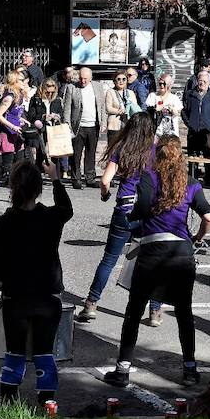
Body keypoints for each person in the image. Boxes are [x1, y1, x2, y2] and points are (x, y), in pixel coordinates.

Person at [103, 135, 210, 388]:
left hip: (153, 250)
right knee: (184, 313)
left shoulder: (148, 179)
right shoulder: (192, 184)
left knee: (133, 312)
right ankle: (189, 369)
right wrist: (196, 237)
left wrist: (135, 221)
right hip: (182, 252)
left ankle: (123, 369)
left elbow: (138, 211)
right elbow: (208, 217)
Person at [0, 159, 73, 404]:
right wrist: (57, 179)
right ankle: (47, 401)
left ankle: (9, 400)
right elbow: (67, 209)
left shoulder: (4, 223)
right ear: (39, 189)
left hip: (15, 298)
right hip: (47, 298)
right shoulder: (50, 218)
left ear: (12, 189)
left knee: (14, 352)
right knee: (44, 352)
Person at [77, 113, 161, 324]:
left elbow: (105, 181)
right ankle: (155, 311)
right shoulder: (156, 150)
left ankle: (91, 304)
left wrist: (105, 195)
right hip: (149, 212)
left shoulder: (122, 148)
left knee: (109, 259)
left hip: (124, 209)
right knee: (153, 261)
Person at [62, 67, 107, 189]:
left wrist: (103, 123)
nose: (83, 81)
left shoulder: (97, 87)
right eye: (81, 78)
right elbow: (67, 109)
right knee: (76, 154)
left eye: (86, 79)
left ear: (91, 78)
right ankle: (76, 178)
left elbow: (102, 106)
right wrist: (67, 124)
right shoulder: (72, 88)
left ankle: (90, 178)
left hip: (93, 126)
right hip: (78, 126)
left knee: (91, 153)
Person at [182, 70, 210, 187]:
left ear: (209, 82)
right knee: (193, 155)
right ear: (197, 81)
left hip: (208, 130)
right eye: (200, 81)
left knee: (209, 154)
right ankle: (192, 179)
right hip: (193, 130)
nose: (202, 83)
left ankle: (208, 179)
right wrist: (189, 123)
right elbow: (184, 111)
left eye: (205, 81)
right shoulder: (190, 94)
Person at [0, 72, 29, 184]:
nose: (24, 82)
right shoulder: (9, 97)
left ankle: (18, 191)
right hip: (7, 133)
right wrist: (13, 126)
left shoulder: (19, 95)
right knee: (5, 167)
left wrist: (22, 120)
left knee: (20, 164)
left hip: (16, 133)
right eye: (21, 80)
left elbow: (13, 114)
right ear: (14, 81)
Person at [105, 70, 141, 144]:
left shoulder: (131, 93)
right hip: (115, 125)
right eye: (118, 79)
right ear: (114, 81)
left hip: (128, 125)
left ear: (127, 81)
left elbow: (135, 107)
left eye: (124, 79)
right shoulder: (110, 92)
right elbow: (108, 108)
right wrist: (120, 111)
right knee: (113, 150)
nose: (121, 81)